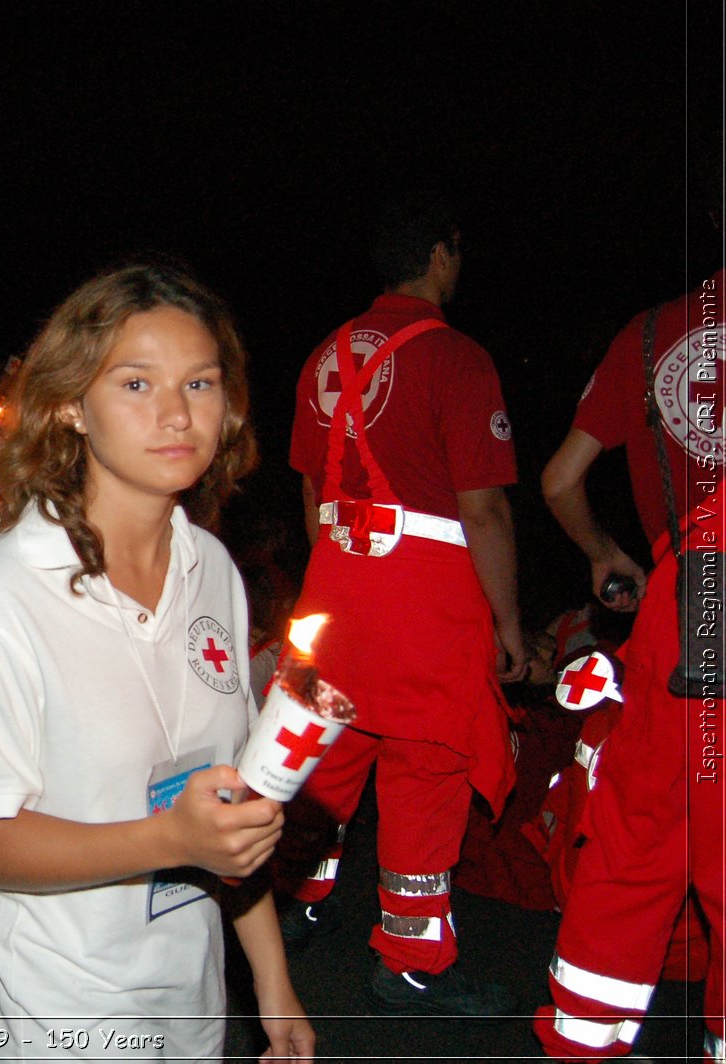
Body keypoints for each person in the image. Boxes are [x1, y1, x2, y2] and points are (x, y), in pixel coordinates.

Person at [0, 261, 314, 1060]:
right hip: (58, 1006)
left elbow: (227, 803)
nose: (177, 415)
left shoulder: (211, 567)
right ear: (72, 404)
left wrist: (272, 981)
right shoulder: (1, 595)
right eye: (137, 385)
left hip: (192, 989)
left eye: (201, 385)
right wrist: (170, 840)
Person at [279, 192, 523, 1015]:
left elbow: (312, 488)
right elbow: (483, 508)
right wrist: (510, 623)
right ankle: (411, 959)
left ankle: (295, 899)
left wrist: (339, 584)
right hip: (424, 598)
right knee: (427, 760)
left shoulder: (323, 354)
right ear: (441, 255)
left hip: (337, 582)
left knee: (323, 742)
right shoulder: (457, 358)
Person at [532, 246, 724, 1060]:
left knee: (642, 831)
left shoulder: (649, 336)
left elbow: (559, 479)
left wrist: (608, 553)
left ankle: (583, 1039)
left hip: (689, 593)